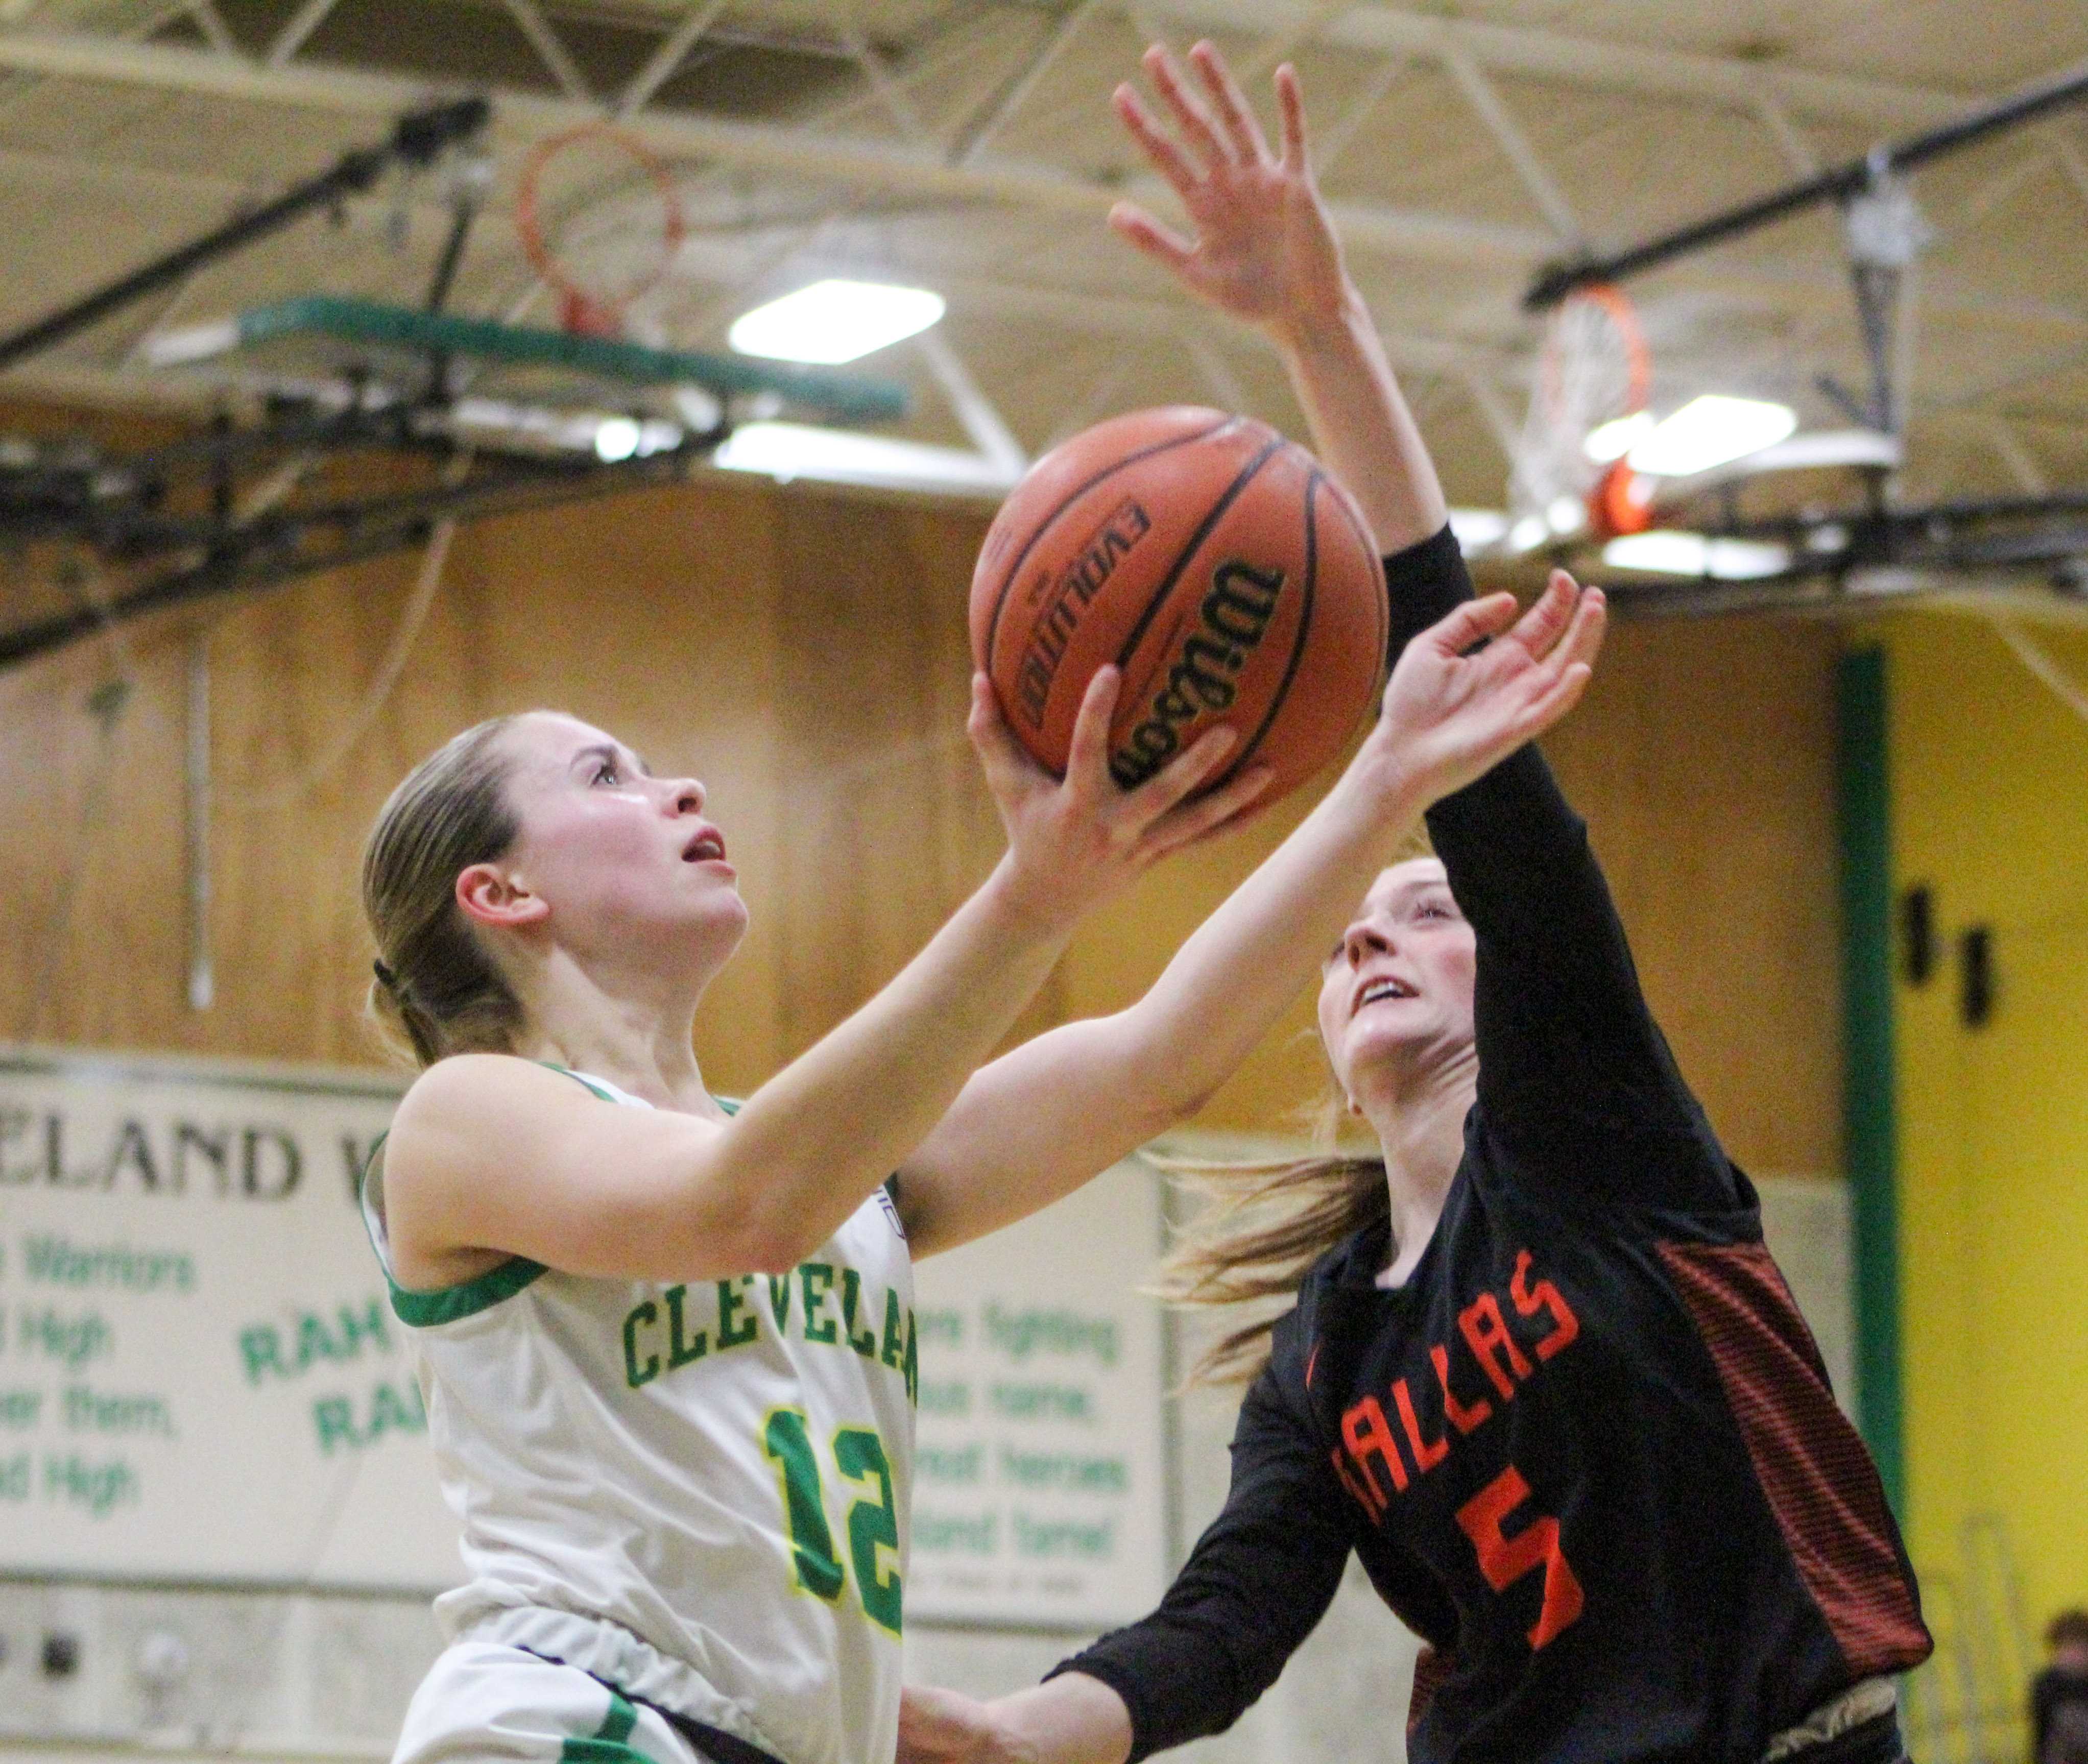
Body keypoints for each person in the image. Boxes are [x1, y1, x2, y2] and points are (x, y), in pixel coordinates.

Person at [896, 41, 1932, 1764]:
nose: (1375, 929)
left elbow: (1449, 691)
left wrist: (1320, 324)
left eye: (1428, 915)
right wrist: (1012, 1732)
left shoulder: (1590, 1129)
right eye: (1353, 929)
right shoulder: (1326, 1349)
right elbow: (1221, 1620)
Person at [355, 424, 1605, 1759]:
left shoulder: (837, 1173)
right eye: (607, 773)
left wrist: (1387, 775)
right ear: (499, 894)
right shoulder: (463, 1115)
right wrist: (1036, 890)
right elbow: (742, 1206)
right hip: (565, 1717)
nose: (682, 784)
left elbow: (1155, 1065)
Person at [2034, 1610, 2088, 1764]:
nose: (2072, 1656)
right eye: (2065, 1649)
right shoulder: (2046, 1685)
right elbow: (2042, 1741)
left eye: (2078, 1648)